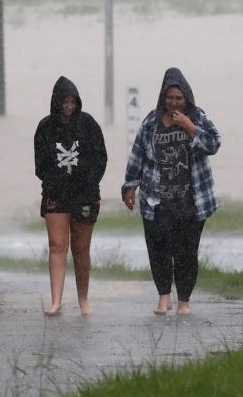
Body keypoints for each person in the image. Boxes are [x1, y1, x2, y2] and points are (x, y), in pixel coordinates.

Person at [122, 67, 221, 316]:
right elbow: (137, 155)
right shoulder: (150, 122)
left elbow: (214, 143)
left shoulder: (198, 117)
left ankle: (184, 300)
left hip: (191, 199)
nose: (173, 103)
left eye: (178, 99)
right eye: (169, 98)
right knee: (158, 249)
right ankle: (163, 297)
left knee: (186, 251)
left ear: (186, 98)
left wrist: (189, 126)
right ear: (162, 98)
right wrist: (130, 186)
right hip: (157, 199)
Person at [34, 76, 107, 316]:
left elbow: (100, 159)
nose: (68, 107)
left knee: (81, 248)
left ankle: (83, 299)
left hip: (84, 194)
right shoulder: (45, 127)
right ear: (56, 102)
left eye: (72, 102)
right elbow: (40, 165)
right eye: (64, 102)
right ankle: (56, 300)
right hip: (56, 195)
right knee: (57, 245)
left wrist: (88, 183)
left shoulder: (88, 125)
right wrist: (55, 181)